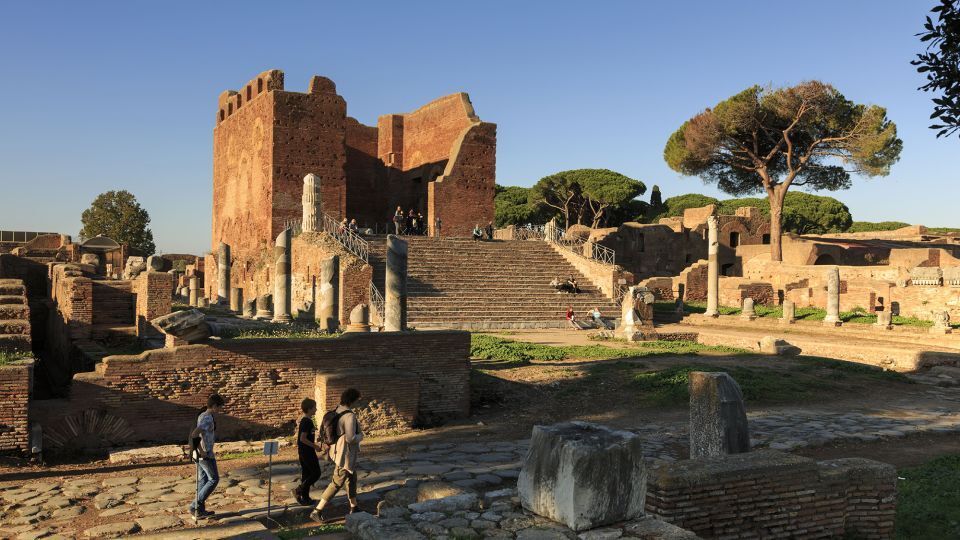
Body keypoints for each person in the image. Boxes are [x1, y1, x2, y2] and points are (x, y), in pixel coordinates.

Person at [311, 388, 365, 523]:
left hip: (336, 450)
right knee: (337, 481)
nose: (358, 403)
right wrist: (361, 436)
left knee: (351, 478)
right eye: (357, 400)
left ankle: (354, 507)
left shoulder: (337, 409)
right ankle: (317, 510)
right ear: (353, 400)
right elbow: (351, 438)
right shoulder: (350, 416)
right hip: (345, 453)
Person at [189, 393, 225, 518]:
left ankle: (199, 511)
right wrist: (202, 451)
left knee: (203, 480)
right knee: (214, 479)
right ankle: (194, 505)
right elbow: (194, 434)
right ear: (214, 406)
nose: (220, 410)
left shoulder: (203, 415)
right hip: (204, 454)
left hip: (202, 453)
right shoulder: (207, 417)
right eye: (220, 407)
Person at [294, 398, 324, 505]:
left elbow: (306, 437)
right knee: (316, 473)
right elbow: (302, 438)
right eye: (315, 407)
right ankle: (299, 489)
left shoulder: (306, 420)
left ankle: (305, 498)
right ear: (310, 408)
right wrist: (315, 446)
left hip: (304, 451)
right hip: (307, 452)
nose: (316, 409)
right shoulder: (307, 421)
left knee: (306, 474)